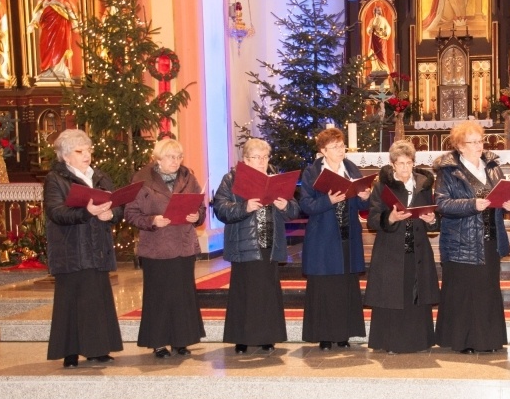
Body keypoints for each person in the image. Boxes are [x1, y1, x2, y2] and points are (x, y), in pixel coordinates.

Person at [433, 121, 510, 353]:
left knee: (487, 290)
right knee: (464, 292)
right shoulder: (448, 170)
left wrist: (508, 204)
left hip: (490, 238)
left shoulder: (492, 167)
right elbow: (442, 203)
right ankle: (463, 341)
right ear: (460, 145)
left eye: (480, 140)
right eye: (473, 142)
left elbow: (501, 197)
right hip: (462, 240)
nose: (479, 146)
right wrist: (472, 204)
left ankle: (488, 340)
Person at [44, 129, 123, 368]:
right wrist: (86, 212)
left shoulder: (99, 176)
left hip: (98, 247)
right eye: (80, 151)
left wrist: (111, 214)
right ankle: (70, 352)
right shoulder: (56, 179)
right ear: (66, 156)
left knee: (96, 298)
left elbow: (118, 206)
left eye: (88, 150)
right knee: (72, 299)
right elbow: (56, 212)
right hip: (71, 249)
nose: (86, 155)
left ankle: (97, 349)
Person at [213, 138, 299, 355]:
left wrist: (285, 205)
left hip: (270, 242)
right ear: (245, 159)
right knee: (244, 292)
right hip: (244, 243)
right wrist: (245, 207)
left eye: (264, 157)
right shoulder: (231, 179)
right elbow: (221, 209)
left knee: (267, 292)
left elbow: (294, 210)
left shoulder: (275, 177)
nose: (261, 162)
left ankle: (266, 337)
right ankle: (241, 339)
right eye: (256, 158)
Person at [125, 138, 206, 358]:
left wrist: (197, 215)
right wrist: (152, 220)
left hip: (183, 245)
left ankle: (182, 341)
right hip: (157, 247)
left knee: (183, 296)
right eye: (171, 156)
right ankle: (158, 342)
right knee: (159, 297)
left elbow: (201, 207)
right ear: (158, 158)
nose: (176, 161)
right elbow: (130, 213)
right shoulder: (142, 179)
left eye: (179, 157)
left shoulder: (189, 177)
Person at [365, 140, 439, 353]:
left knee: (416, 292)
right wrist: (391, 217)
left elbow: (434, 219)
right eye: (401, 163)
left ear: (414, 163)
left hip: (418, 249)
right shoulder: (381, 186)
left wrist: (432, 220)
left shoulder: (424, 185)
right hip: (390, 250)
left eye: (409, 163)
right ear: (393, 164)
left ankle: (419, 341)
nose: (405, 168)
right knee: (392, 294)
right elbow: (372, 218)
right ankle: (391, 341)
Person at [299, 128, 370, 350]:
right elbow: (306, 205)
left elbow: (361, 205)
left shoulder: (350, 168)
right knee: (325, 286)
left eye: (342, 146)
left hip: (347, 236)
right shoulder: (312, 172)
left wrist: (364, 197)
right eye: (336, 147)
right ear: (323, 151)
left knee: (344, 285)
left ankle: (343, 335)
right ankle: (325, 336)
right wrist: (328, 200)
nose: (341, 150)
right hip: (322, 238)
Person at [27, 0, 80, 80]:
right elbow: (39, 9)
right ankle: (48, 70)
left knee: (59, 45)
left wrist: (75, 23)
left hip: (60, 24)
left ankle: (59, 69)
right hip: (47, 25)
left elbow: (69, 7)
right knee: (45, 45)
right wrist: (32, 23)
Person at [366, 5, 392, 74]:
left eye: (380, 10)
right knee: (374, 54)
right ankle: (375, 68)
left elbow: (388, 28)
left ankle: (383, 68)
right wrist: (370, 30)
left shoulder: (384, 19)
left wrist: (385, 32)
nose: (379, 11)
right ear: (375, 11)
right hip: (374, 39)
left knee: (382, 54)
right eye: (378, 10)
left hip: (381, 40)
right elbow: (368, 28)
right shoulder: (372, 20)